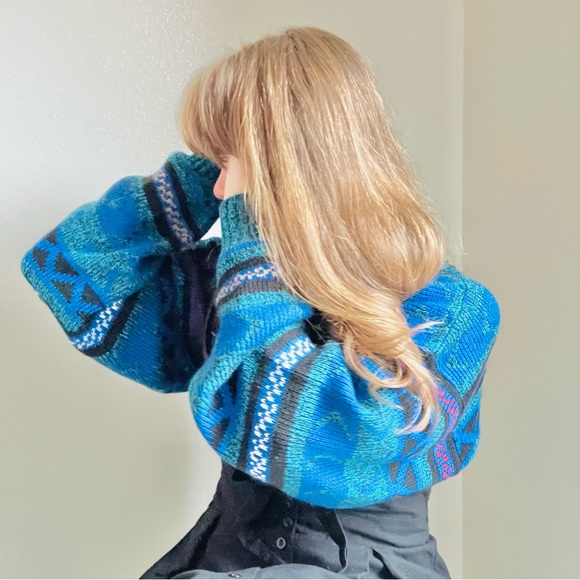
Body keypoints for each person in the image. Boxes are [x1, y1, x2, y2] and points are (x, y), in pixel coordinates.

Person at [20, 26, 500, 579]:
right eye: (215, 166)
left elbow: (332, 444)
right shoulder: (238, 285)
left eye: (229, 167)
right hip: (228, 560)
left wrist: (254, 223)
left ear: (293, 172)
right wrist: (185, 189)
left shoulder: (455, 310)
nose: (221, 192)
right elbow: (69, 273)